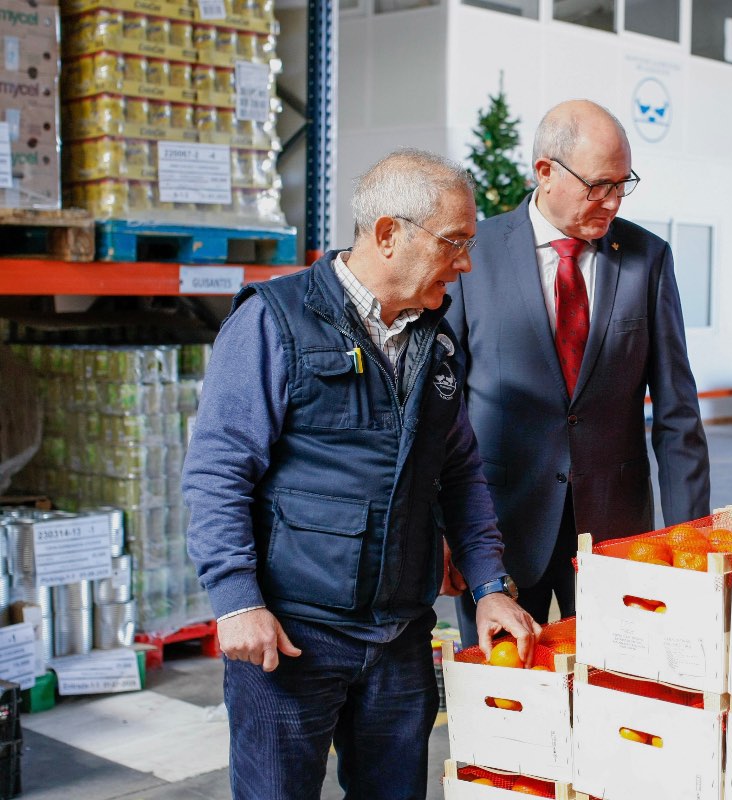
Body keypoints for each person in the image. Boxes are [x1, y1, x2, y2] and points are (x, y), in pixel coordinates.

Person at [182, 148, 539, 800]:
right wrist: (236, 600)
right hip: (292, 638)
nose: (466, 264)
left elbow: (459, 472)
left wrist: (489, 582)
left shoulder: (437, 339)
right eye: (455, 243)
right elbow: (217, 472)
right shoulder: (275, 321)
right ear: (387, 235)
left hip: (400, 634)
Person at [446, 99, 711, 643]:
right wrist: (441, 529)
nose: (613, 202)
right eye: (599, 185)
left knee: (619, 693)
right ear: (545, 171)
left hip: (614, 532)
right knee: (502, 694)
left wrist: (692, 539)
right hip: (497, 529)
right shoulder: (475, 253)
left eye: (623, 184)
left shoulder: (647, 258)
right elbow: (441, 406)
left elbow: (677, 412)